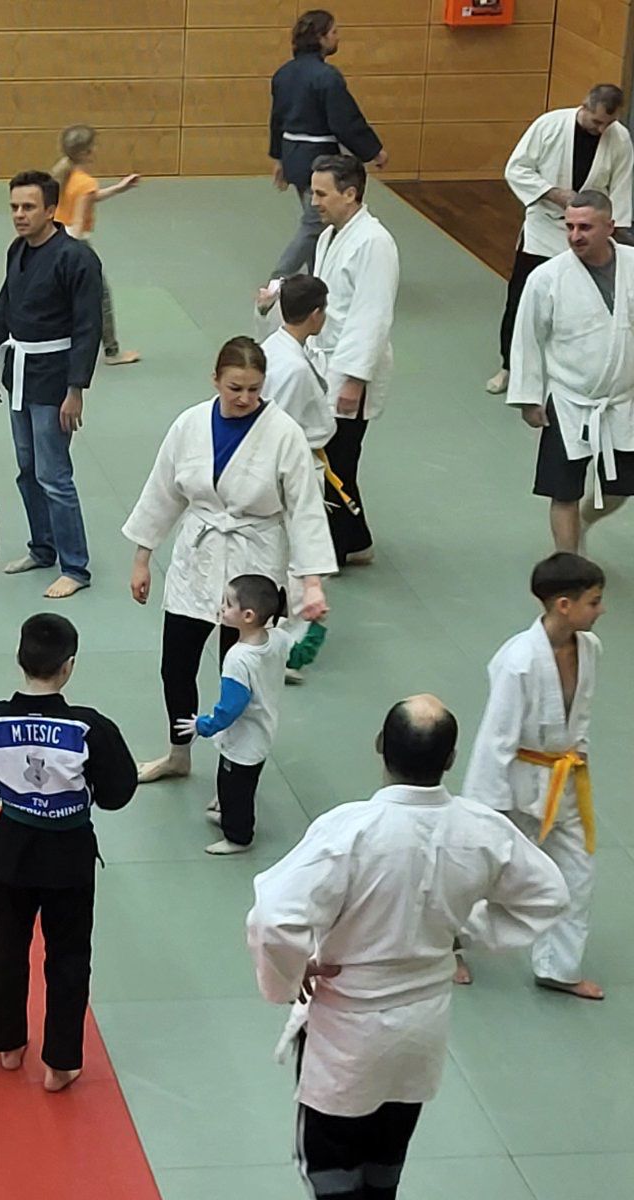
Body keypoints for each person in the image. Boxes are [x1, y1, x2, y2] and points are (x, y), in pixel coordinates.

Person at [248, 695, 567, 1200]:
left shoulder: (350, 830)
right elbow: (548, 895)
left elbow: (272, 918)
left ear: (380, 746)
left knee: (329, 1167)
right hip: (422, 1027)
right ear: (450, 758)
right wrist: (466, 931)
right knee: (385, 1162)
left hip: (348, 1033)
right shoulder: (483, 830)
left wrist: (287, 979)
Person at [124, 336, 334, 783]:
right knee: (175, 665)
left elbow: (305, 512)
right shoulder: (190, 424)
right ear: (215, 379)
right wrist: (143, 556)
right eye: (235, 387)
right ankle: (178, 754)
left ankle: (232, 774)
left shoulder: (284, 434)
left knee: (240, 674)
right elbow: (162, 492)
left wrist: (312, 583)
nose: (244, 398)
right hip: (198, 556)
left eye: (254, 389)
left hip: (254, 561)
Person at [0, 613, 136, 1094]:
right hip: (68, 857)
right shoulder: (90, 728)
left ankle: (7, 1044)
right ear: (68, 665)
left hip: (12, 850)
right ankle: (61, 1062)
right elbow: (119, 793)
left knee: (6, 948)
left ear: (19, 659)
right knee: (69, 955)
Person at [460, 552, 606, 1000]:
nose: (601, 610)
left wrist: (579, 757)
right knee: (490, 877)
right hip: (518, 786)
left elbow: (579, 718)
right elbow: (495, 738)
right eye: (593, 601)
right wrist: (486, 811)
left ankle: (558, 967)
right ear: (564, 604)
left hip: (566, 783)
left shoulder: (590, 649)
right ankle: (446, 943)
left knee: (577, 875)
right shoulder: (518, 660)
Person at [0, 170, 101, 601]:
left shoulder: (76, 259)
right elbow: (6, 305)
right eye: (14, 207)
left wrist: (75, 389)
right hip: (20, 370)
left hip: (55, 376)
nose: (19, 214)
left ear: (51, 210)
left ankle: (75, 566)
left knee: (54, 474)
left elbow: (89, 326)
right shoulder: (18, 250)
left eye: (28, 207)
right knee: (28, 469)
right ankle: (42, 547)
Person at [283, 154, 398, 565]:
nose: (313, 201)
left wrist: (354, 378)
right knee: (331, 456)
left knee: (336, 459)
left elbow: (372, 315)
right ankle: (355, 539)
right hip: (325, 359)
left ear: (350, 194)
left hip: (350, 368)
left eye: (321, 193)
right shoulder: (332, 235)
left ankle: (338, 545)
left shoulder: (374, 243)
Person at [506, 189, 634, 552]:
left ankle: (584, 521)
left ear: (610, 227)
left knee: (621, 487)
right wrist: (528, 398)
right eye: (570, 227)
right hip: (568, 400)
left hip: (622, 400)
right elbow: (527, 338)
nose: (575, 235)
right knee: (563, 491)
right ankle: (568, 563)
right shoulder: (547, 277)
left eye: (585, 227)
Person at [490, 85, 633, 394]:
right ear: (584, 106)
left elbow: (621, 188)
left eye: (608, 123)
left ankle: (580, 367)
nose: (602, 129)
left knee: (587, 300)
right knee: (522, 300)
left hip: (589, 231)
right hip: (544, 227)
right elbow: (517, 169)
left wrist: (616, 232)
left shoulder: (619, 138)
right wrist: (554, 194)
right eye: (597, 122)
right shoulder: (550, 125)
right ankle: (509, 367)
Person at [176, 575, 293, 855]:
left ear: (248, 616)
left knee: (235, 787)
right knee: (238, 782)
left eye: (228, 604)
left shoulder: (238, 658)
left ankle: (238, 836)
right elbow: (295, 646)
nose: (222, 608)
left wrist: (203, 725)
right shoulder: (277, 638)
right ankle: (230, 815)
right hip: (262, 731)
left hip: (243, 740)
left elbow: (231, 707)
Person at [267, 9, 385, 278]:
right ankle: (278, 280)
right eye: (334, 32)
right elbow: (346, 121)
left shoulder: (284, 74)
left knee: (318, 220)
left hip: (293, 155)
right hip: (316, 157)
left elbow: (277, 120)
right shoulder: (327, 77)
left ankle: (316, 277)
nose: (337, 37)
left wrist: (279, 158)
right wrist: (373, 150)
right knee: (314, 224)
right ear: (320, 38)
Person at [259, 273, 335, 681]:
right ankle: (285, 645)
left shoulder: (276, 347)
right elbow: (280, 425)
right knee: (296, 556)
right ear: (316, 314)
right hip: (292, 465)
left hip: (294, 460)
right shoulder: (292, 368)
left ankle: (278, 636)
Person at [51, 123, 141, 366]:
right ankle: (112, 351)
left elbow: (87, 199)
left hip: (55, 238)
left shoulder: (66, 174)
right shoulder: (85, 182)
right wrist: (77, 255)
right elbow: (79, 222)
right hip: (73, 244)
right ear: (86, 152)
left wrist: (119, 188)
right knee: (101, 297)